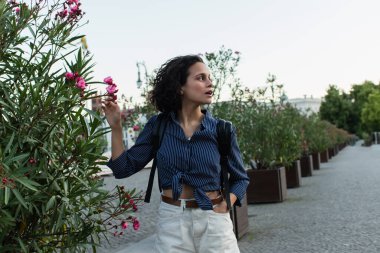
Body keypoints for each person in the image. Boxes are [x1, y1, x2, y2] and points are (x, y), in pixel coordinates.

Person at [101, 55, 249, 253]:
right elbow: (122, 168)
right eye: (200, 78)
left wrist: (225, 205)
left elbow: (241, 179)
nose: (209, 83)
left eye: (209, 77)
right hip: (172, 221)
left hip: (214, 221)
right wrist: (116, 127)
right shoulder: (158, 126)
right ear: (180, 87)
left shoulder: (222, 129)